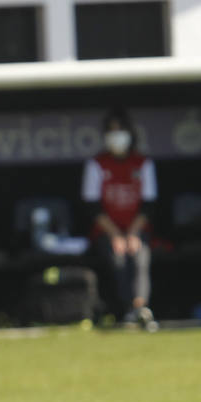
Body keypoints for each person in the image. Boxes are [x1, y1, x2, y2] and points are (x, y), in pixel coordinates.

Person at [82, 109, 157, 325]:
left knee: (140, 256)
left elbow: (149, 206)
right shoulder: (97, 164)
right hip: (107, 231)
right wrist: (116, 235)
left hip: (136, 229)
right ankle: (127, 310)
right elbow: (93, 207)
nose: (117, 136)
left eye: (121, 130)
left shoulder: (142, 163)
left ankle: (141, 308)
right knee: (118, 259)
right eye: (112, 131)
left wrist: (133, 233)